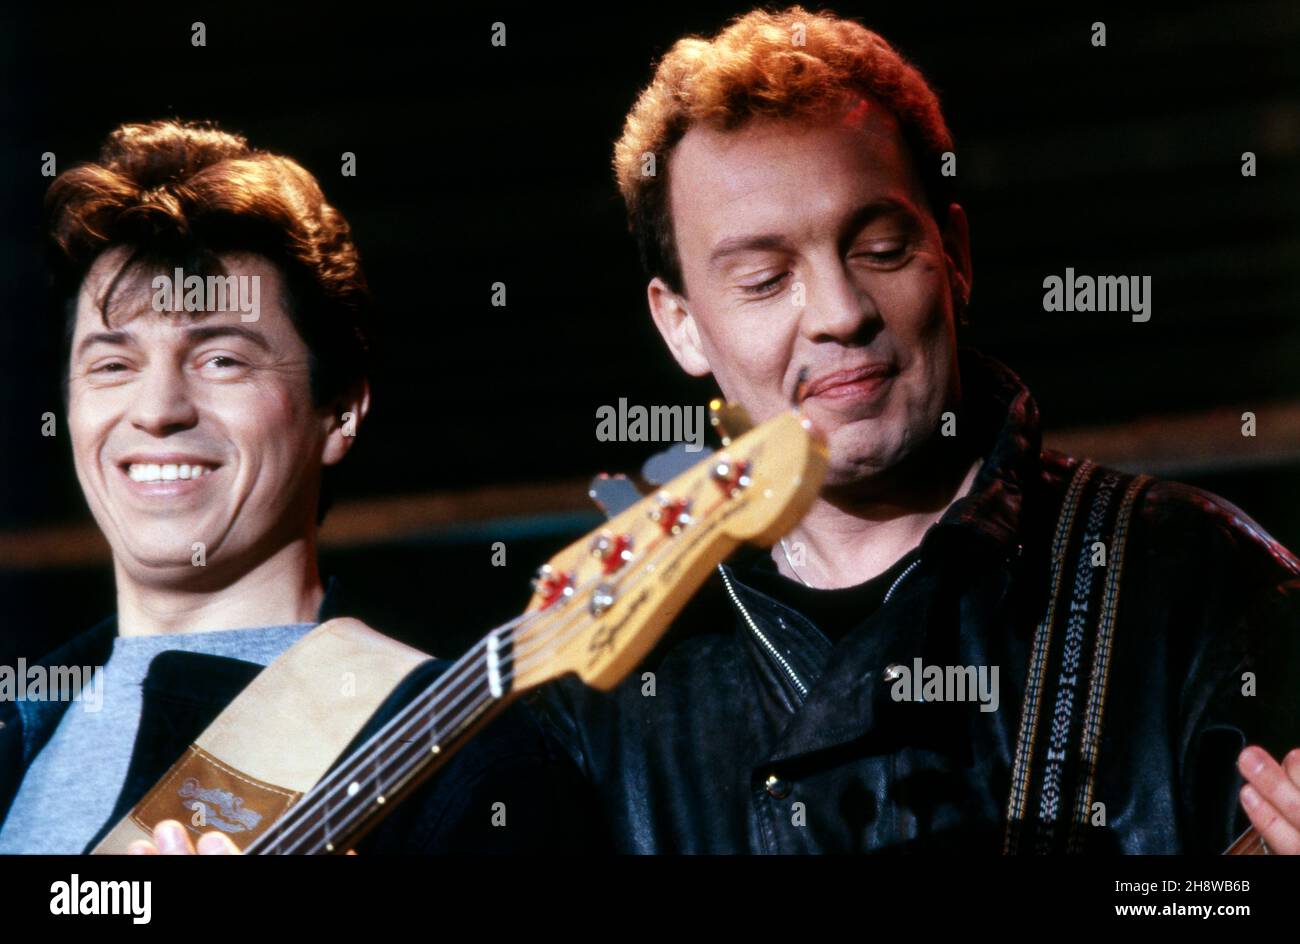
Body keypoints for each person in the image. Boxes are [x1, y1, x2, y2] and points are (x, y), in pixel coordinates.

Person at [534, 6, 1300, 854]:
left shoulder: (1195, 579)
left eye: (883, 249)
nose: (839, 313)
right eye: (762, 278)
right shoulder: (603, 686)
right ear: (679, 324)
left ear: (957, 254)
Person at [0, 119, 595, 855]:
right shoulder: (19, 717)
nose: (156, 411)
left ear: (340, 409)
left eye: (221, 359)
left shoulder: (457, 754)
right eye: (112, 365)